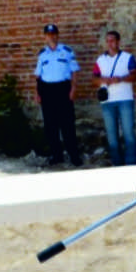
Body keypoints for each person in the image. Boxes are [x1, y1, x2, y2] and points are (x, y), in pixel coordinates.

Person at [34, 23, 82, 166]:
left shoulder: (67, 51)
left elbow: (74, 71)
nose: (52, 37)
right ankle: (56, 155)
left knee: (67, 124)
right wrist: (37, 93)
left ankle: (74, 156)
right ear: (45, 37)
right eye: (49, 35)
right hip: (47, 90)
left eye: (54, 34)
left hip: (63, 89)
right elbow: (38, 75)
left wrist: (73, 89)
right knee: (50, 125)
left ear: (57, 35)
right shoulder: (42, 54)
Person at [93, 30, 136, 165]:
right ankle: (117, 164)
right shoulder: (100, 60)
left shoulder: (128, 57)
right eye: (107, 41)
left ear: (118, 42)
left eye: (112, 40)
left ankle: (131, 163)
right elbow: (94, 79)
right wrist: (104, 80)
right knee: (111, 135)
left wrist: (121, 79)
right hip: (107, 101)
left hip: (125, 99)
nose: (110, 43)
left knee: (128, 133)